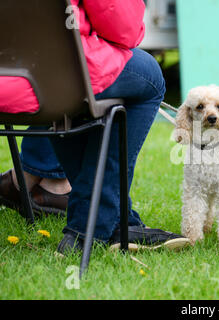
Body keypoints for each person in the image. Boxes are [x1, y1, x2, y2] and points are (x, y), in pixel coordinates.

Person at [0, 0, 191, 253]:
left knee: (87, 88)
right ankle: (88, 229)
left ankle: (121, 221)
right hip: (58, 78)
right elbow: (125, 29)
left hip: (10, 82)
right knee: (148, 75)